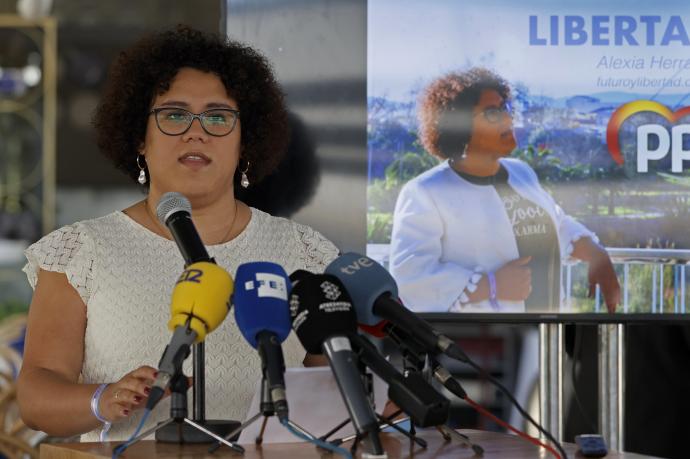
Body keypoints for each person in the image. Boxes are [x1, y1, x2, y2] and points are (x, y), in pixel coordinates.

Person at [17, 26, 337, 441]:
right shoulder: (80, 251)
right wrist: (101, 400)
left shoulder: (304, 253)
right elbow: (36, 394)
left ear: (246, 142)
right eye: (174, 114)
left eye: (219, 116)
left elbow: (334, 394)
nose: (196, 131)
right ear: (139, 138)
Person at [389, 67, 620, 313]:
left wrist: (597, 255)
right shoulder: (425, 192)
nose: (508, 119)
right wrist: (490, 286)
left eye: (505, 109)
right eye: (492, 113)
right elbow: (409, 278)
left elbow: (554, 222)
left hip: (544, 334)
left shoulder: (521, 173)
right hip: (485, 343)